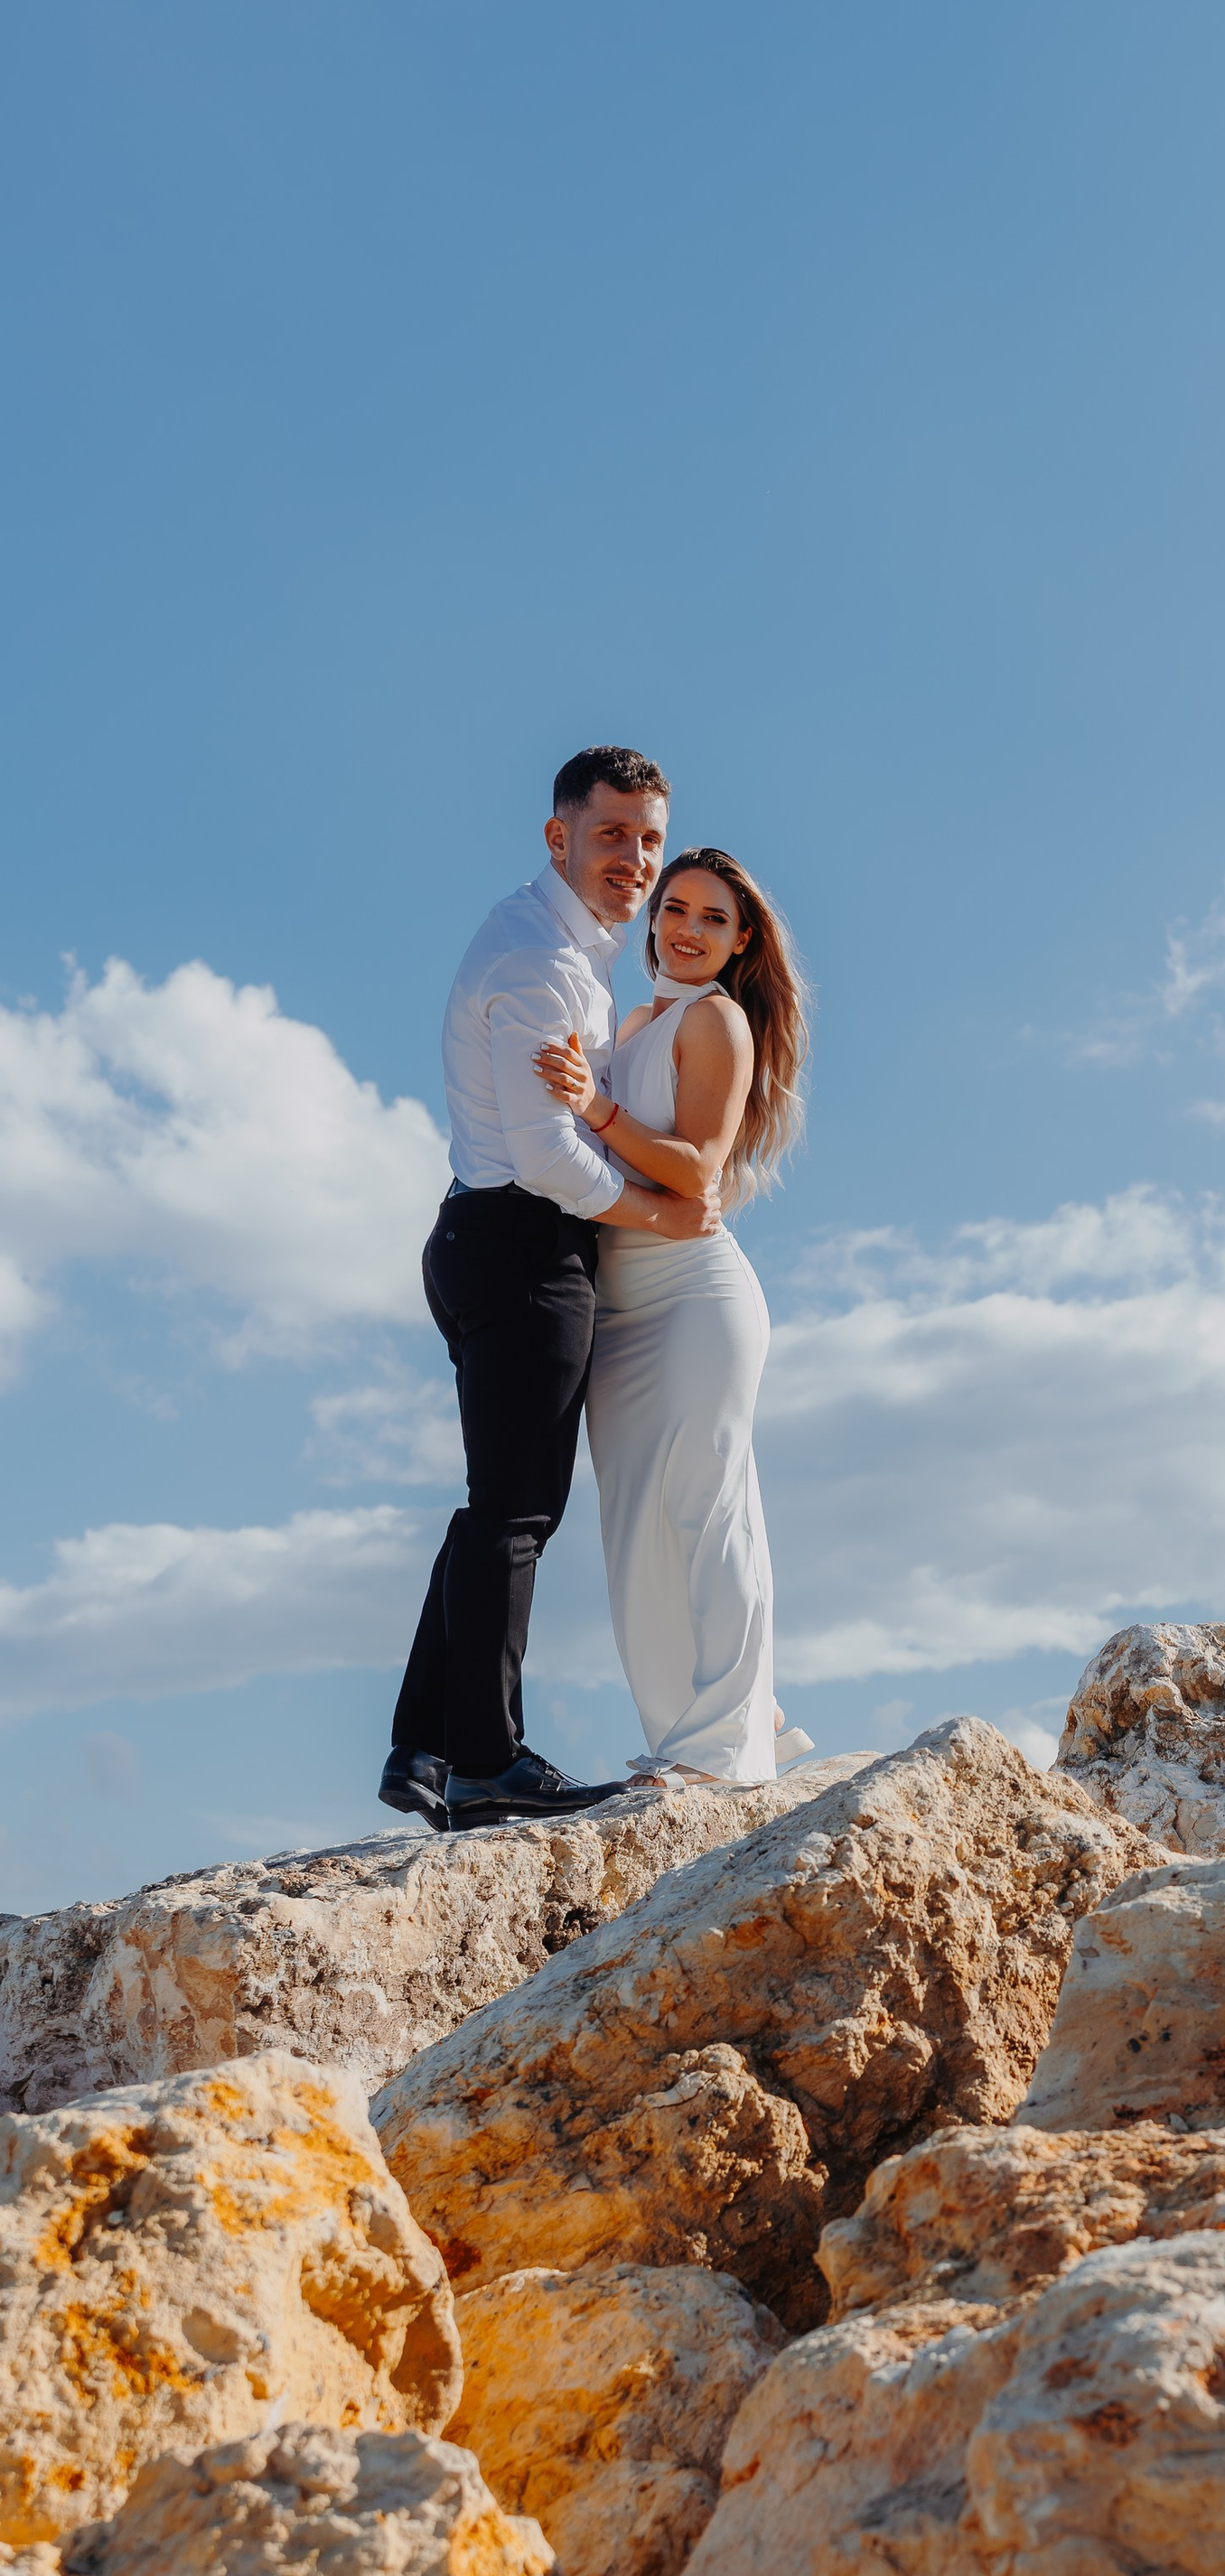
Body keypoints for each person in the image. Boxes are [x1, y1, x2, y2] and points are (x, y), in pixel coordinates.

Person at [380, 748, 722, 1835]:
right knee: (518, 1512)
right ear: (559, 835)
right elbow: (545, 1159)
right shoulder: (538, 962)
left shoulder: (566, 950)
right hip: (522, 1240)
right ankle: (487, 1764)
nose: (635, 858)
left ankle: (426, 1745)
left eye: (649, 838)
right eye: (613, 833)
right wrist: (659, 1213)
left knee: (499, 1502)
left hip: (487, 1238)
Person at [529, 846, 809, 1783]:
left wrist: (595, 1110)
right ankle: (734, 1718)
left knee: (708, 1506)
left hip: (693, 1295)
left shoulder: (716, 1020)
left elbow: (698, 1170)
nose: (686, 929)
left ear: (740, 943)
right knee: (636, 1527)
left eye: (712, 919)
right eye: (675, 908)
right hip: (619, 1307)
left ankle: (719, 1751)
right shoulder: (637, 1018)